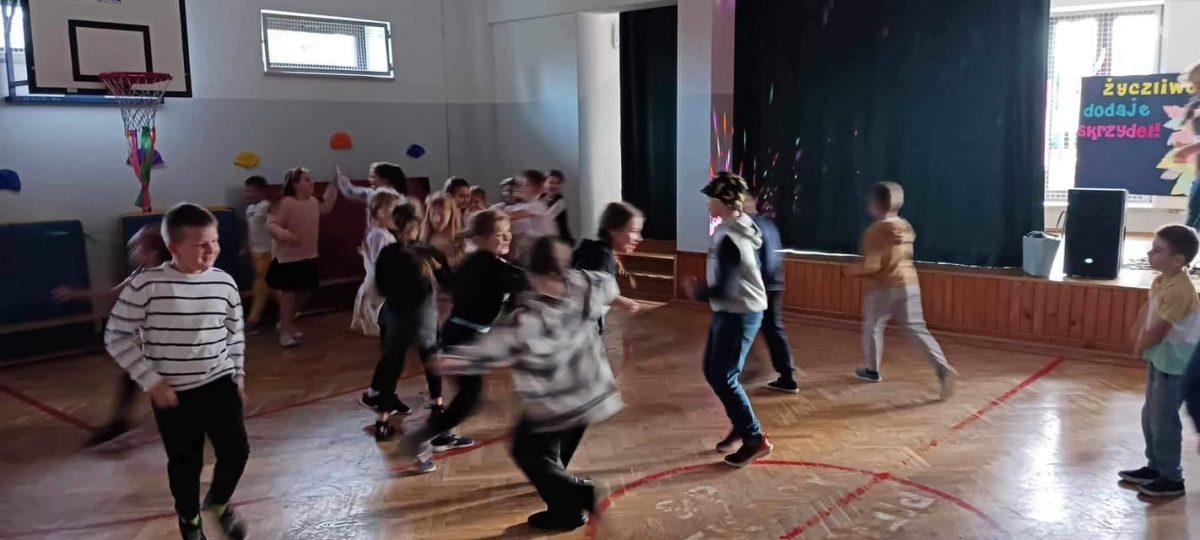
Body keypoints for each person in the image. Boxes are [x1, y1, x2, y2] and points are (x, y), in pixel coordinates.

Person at [435, 236, 622, 531]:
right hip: (593, 391)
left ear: (536, 273)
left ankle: (577, 498)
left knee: (527, 451)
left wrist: (458, 360)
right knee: (547, 454)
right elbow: (608, 285)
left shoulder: (539, 314)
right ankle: (565, 506)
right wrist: (620, 300)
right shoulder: (586, 282)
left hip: (559, 398)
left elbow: (502, 345)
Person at [104, 203, 249, 540]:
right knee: (186, 463)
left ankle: (219, 502)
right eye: (200, 245)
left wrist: (237, 374)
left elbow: (234, 333)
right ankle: (190, 519)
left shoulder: (224, 283)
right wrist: (151, 382)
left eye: (214, 241)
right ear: (174, 248)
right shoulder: (147, 286)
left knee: (236, 452)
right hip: (174, 394)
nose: (211, 250)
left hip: (219, 383)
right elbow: (116, 336)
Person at [402, 209, 527, 473]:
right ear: (480, 238)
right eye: (499, 234)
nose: (507, 238)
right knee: (470, 398)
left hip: (464, 336)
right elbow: (524, 280)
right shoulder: (487, 264)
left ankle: (436, 432)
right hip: (463, 339)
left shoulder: (481, 262)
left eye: (508, 233)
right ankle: (420, 436)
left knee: (468, 397)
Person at [362, 201, 473, 453]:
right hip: (423, 314)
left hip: (395, 315)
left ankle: (382, 422)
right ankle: (437, 408)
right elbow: (449, 283)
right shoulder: (427, 253)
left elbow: (381, 287)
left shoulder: (388, 253)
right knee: (431, 360)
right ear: (418, 223)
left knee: (392, 366)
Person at [683, 172, 773, 468]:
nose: (708, 203)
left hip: (739, 313)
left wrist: (696, 291)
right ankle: (742, 423)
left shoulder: (731, 237)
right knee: (713, 371)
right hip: (732, 311)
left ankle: (754, 439)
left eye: (711, 197)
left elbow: (726, 287)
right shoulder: (735, 228)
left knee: (723, 375)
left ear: (724, 201)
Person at [52, 224, 171, 447]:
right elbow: (114, 293)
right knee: (133, 377)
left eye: (138, 247)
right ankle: (120, 422)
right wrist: (76, 294)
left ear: (153, 252)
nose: (134, 251)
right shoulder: (141, 272)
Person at [849, 182, 956, 399]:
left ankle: (872, 369)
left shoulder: (874, 231)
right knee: (917, 329)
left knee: (872, 326)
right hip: (909, 283)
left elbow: (872, 266)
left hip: (884, 287)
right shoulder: (905, 226)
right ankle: (943, 369)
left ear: (874, 204)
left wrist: (852, 272)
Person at [1119, 224, 1200, 498]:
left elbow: (1161, 328)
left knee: (1164, 420)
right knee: (1150, 415)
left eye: (1157, 250)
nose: (1149, 253)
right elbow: (1148, 310)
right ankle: (1155, 466)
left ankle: (1172, 478)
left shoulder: (1180, 290)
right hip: (1161, 358)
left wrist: (1139, 345)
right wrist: (1135, 332)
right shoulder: (1161, 281)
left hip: (1177, 364)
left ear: (1177, 259)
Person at [266, 166, 338, 347]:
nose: (311, 182)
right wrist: (285, 235)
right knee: (288, 295)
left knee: (306, 292)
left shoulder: (313, 202)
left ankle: (286, 322)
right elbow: (272, 224)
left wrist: (334, 186)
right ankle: (285, 331)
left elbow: (326, 207)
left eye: (310, 179)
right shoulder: (286, 203)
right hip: (289, 258)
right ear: (295, 184)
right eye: (306, 179)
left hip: (309, 256)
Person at [745, 194, 798, 394]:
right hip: (773, 284)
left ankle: (747, 368)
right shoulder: (768, 224)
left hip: (759, 286)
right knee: (772, 329)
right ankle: (787, 375)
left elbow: (756, 261)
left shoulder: (749, 227)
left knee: (742, 325)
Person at [571, 201, 645, 329]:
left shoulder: (592, 248)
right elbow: (587, 289)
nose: (639, 238)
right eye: (634, 231)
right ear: (614, 230)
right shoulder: (601, 257)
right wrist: (619, 301)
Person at [350, 190, 402, 337]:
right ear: (382, 213)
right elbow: (380, 261)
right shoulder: (379, 235)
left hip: (377, 284)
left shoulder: (381, 234)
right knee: (376, 323)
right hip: (376, 286)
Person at [242, 176, 273, 330]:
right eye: (245, 191)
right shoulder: (249, 209)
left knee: (260, 284)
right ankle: (289, 310)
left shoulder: (266, 207)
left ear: (261, 191)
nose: (247, 194)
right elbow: (252, 230)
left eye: (250, 191)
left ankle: (253, 319)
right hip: (255, 252)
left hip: (266, 252)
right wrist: (247, 246)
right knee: (267, 286)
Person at [505, 170, 554, 262]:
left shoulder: (537, 206)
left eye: (521, 184)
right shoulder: (517, 206)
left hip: (541, 254)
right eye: (516, 184)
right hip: (524, 254)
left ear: (536, 188)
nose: (516, 187)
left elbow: (512, 215)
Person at [421, 193, 465, 265]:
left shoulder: (461, 240)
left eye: (442, 214)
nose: (437, 219)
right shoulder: (423, 239)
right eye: (433, 214)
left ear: (451, 215)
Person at [543, 170, 575, 246]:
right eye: (551, 182)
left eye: (558, 183)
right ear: (544, 183)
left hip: (560, 241)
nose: (554, 186)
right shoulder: (541, 199)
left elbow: (546, 219)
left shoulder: (561, 202)